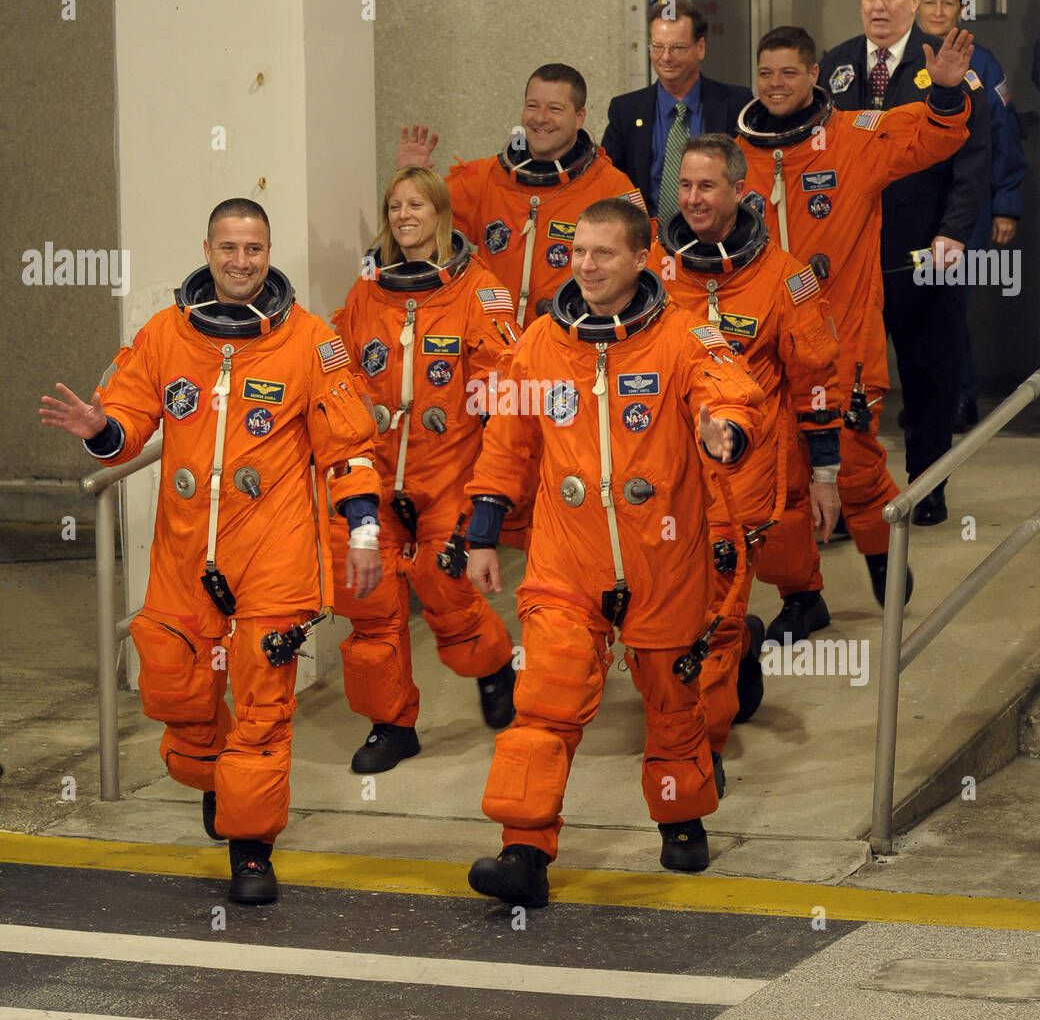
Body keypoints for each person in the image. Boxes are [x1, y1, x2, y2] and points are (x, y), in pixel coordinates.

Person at [39, 200, 382, 905]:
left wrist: (366, 531)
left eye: (254, 248)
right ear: (207, 248)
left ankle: (251, 848)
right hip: (187, 551)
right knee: (173, 684)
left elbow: (350, 444)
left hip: (276, 552)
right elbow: (127, 422)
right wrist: (100, 428)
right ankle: (217, 779)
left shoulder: (312, 342)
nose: (241, 261)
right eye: (229, 247)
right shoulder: (166, 335)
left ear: (268, 251)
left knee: (262, 705)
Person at [462, 197, 764, 909]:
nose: (587, 266)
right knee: (544, 703)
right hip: (568, 561)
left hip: (663, 559)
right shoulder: (540, 340)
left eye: (603, 253)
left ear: (640, 258)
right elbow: (508, 442)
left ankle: (680, 816)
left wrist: (725, 429)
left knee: (671, 699)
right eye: (576, 253)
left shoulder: (686, 337)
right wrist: (482, 531)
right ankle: (523, 852)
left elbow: (732, 392)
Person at [735, 23, 972, 635]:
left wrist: (945, 93)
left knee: (855, 465)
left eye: (790, 72)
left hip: (840, 350)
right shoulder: (738, 155)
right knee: (781, 486)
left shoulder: (854, 138)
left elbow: (930, 137)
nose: (776, 84)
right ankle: (801, 596)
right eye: (766, 73)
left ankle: (879, 556)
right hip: (763, 359)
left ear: (816, 74)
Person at [648, 134, 842, 748]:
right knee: (665, 601)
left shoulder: (785, 278)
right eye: (684, 186)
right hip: (662, 466)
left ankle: (701, 740)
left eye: (707, 186)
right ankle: (737, 659)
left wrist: (826, 475)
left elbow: (817, 380)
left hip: (743, 467)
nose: (694, 198)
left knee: (717, 603)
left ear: (739, 190)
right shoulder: (658, 267)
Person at [329, 168, 521, 772]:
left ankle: (490, 666)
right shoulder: (367, 291)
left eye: (416, 205)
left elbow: (503, 380)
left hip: (449, 474)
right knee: (368, 601)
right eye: (394, 206)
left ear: (441, 213)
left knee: (446, 590)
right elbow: (341, 361)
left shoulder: (480, 290)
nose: (404, 215)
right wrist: (357, 404)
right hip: (378, 474)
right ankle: (391, 726)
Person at [819, 0, 991, 525]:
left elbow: (972, 158)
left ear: (916, 2)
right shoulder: (836, 66)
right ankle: (849, 494)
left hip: (923, 250)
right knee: (848, 384)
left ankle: (929, 483)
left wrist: (953, 232)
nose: (878, 6)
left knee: (929, 376)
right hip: (848, 256)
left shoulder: (944, 63)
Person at [396, 63, 644, 330]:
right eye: (533, 106)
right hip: (493, 343)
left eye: (555, 109)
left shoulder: (610, 188)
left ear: (579, 116)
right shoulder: (485, 177)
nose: (540, 118)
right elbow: (420, 226)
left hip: (571, 345)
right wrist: (411, 179)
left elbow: (638, 268)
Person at [916, 0, 1028, 430]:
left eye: (949, 3)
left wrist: (1006, 203)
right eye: (931, 1)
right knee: (913, 304)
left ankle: (960, 396)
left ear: (962, 9)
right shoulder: (898, 59)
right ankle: (927, 398)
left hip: (968, 205)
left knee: (948, 300)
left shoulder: (983, 63)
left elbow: (1004, 137)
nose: (940, 11)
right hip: (910, 203)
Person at [602, 0, 754, 221]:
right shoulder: (625, 110)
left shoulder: (736, 104)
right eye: (657, 47)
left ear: (700, 48)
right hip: (649, 241)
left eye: (677, 47)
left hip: (718, 238)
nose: (665, 57)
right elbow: (609, 179)